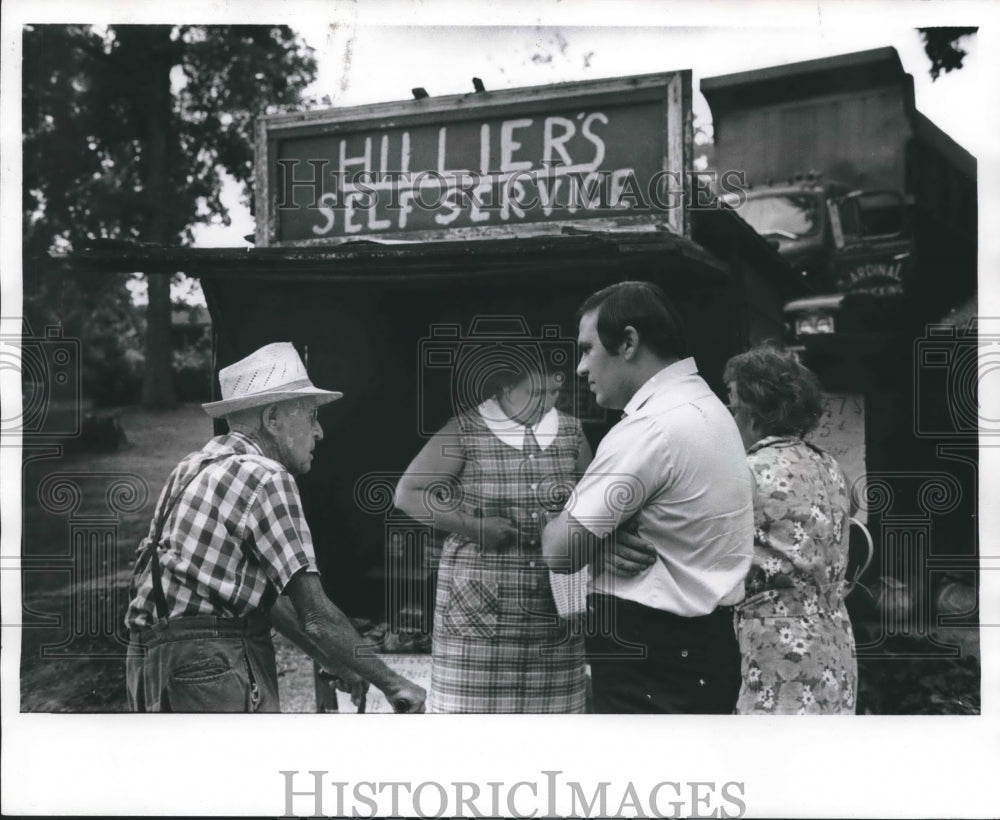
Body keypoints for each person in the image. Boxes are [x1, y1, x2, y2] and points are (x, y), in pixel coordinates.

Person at [125, 342, 426, 713]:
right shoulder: (266, 475)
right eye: (312, 417)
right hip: (211, 663)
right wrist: (394, 684)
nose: (320, 433)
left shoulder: (192, 467)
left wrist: (336, 661)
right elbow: (315, 614)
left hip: (149, 662)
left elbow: (266, 602)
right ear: (272, 419)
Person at [542, 281, 754, 714]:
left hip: (650, 658)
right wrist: (602, 541)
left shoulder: (651, 427)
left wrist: (590, 538)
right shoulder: (707, 407)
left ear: (628, 342)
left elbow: (560, 550)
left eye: (586, 349)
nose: (581, 368)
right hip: (705, 647)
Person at [395, 355, 593, 712]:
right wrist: (476, 527)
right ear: (505, 389)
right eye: (534, 392)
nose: (545, 403)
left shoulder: (571, 432)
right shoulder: (465, 429)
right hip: (476, 621)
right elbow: (409, 493)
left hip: (552, 612)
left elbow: (594, 502)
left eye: (552, 392)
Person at [724, 345, 857, 714]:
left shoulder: (747, 472)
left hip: (780, 649)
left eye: (733, 407)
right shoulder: (829, 465)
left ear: (753, 413)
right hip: (835, 639)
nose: (728, 418)